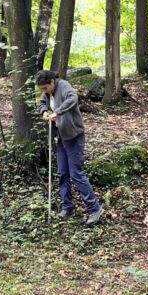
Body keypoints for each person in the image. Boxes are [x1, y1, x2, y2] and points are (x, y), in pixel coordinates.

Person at [36, 70, 105, 227]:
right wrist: (45, 112)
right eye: (42, 89)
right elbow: (41, 104)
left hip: (74, 136)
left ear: (52, 82)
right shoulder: (47, 93)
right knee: (62, 173)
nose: (44, 92)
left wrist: (58, 112)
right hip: (60, 136)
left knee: (76, 174)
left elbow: (73, 98)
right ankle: (67, 207)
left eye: (46, 88)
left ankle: (95, 209)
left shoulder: (64, 86)